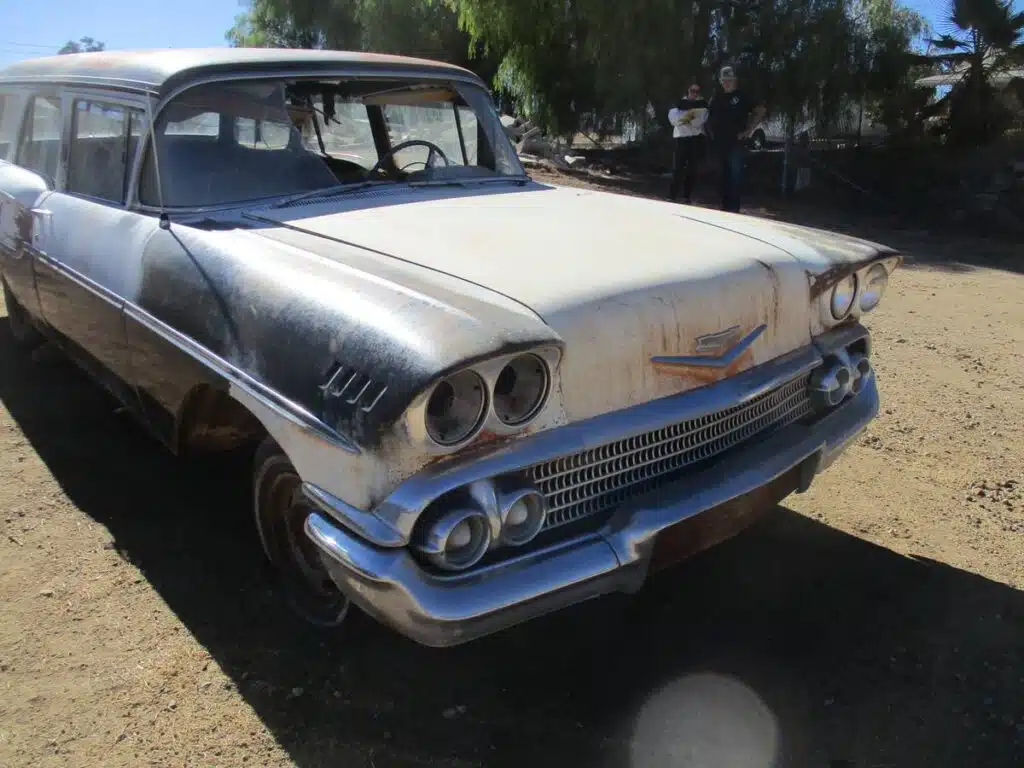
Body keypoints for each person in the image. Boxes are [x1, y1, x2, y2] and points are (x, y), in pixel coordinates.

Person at [706, 66, 765, 213]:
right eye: (724, 80)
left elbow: (760, 110)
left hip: (736, 142)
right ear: (720, 81)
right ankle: (724, 206)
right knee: (722, 174)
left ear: (735, 80)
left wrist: (748, 130)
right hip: (720, 142)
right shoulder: (716, 97)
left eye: (730, 80)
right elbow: (707, 116)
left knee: (735, 174)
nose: (727, 82)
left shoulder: (743, 96)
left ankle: (734, 208)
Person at [666, 83, 708, 204]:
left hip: (695, 139)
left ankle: (686, 196)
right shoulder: (676, 107)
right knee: (678, 168)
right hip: (681, 139)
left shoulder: (702, 108)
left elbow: (698, 122)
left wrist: (686, 119)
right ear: (687, 91)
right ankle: (672, 194)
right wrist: (689, 118)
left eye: (697, 91)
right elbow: (676, 121)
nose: (694, 93)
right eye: (692, 90)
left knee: (692, 169)